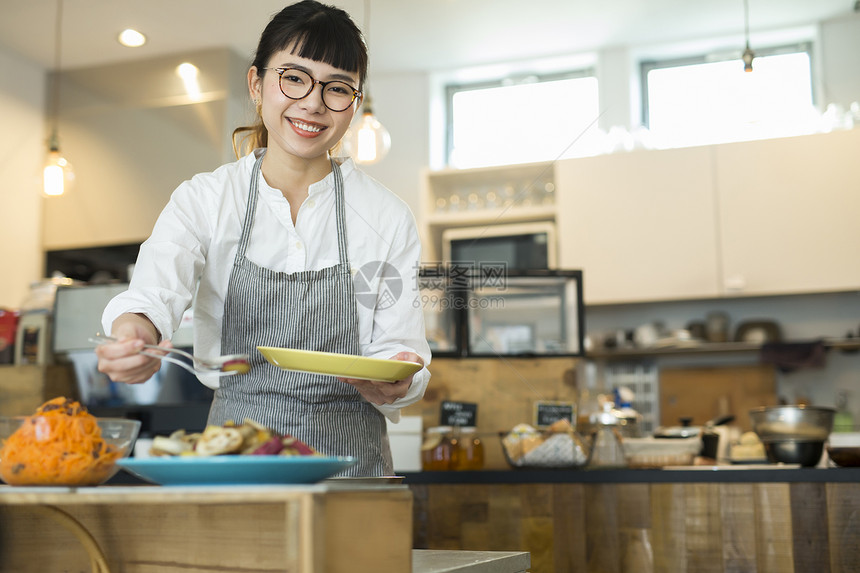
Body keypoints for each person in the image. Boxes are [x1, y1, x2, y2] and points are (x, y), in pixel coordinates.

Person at [95, 0, 431, 476]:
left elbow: (400, 345)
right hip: (233, 467)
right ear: (257, 84)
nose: (313, 103)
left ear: (353, 106)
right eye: (294, 78)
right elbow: (151, 296)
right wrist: (134, 335)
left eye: (337, 88)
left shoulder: (386, 215)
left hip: (354, 470)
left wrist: (399, 377)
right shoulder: (205, 199)